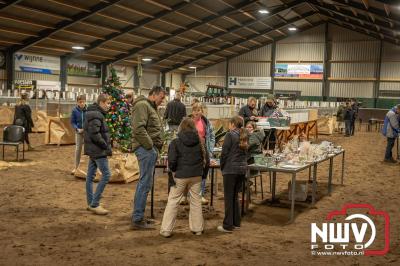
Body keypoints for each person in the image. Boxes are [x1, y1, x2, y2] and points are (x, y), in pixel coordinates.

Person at [159, 118, 205, 238]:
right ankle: (198, 229)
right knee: (196, 201)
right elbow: (206, 160)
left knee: (173, 201)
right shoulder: (200, 141)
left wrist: (174, 172)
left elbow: (172, 161)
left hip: (180, 176)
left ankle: (166, 230)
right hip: (196, 175)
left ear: (181, 127)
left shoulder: (175, 142)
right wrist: (202, 175)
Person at [130, 86, 166, 230]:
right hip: (145, 150)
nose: (162, 101)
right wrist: (150, 147)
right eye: (161, 97)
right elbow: (138, 129)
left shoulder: (149, 106)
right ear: (154, 94)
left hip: (148, 150)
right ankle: (137, 219)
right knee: (145, 183)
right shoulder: (142, 105)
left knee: (144, 183)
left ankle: (138, 216)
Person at [217, 116, 248, 233]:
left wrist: (222, 166)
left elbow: (224, 153)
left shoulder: (230, 135)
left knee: (229, 198)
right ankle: (236, 222)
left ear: (233, 124)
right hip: (241, 170)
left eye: (229, 124)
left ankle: (228, 225)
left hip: (230, 170)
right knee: (235, 197)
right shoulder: (244, 135)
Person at [84, 94, 112, 215]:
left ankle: (91, 203)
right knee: (106, 174)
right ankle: (95, 204)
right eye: (107, 103)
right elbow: (95, 134)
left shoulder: (93, 113)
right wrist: (105, 145)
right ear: (101, 102)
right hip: (98, 150)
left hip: (93, 150)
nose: (109, 106)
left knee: (90, 176)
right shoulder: (96, 114)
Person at [184, 102, 215, 205]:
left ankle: (200, 195)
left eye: (199, 110)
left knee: (203, 173)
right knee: (190, 173)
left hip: (203, 151)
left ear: (202, 111)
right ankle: (188, 196)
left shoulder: (206, 122)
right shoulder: (187, 122)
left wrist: (210, 150)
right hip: (190, 151)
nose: (196, 112)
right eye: (194, 110)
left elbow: (211, 137)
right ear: (192, 111)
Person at [70, 95, 87, 175]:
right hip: (79, 132)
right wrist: (77, 129)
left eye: (83, 101)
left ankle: (87, 168)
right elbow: (72, 122)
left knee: (88, 149)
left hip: (87, 133)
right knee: (78, 149)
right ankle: (76, 168)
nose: (82, 103)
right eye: (80, 102)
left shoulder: (88, 110)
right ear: (77, 102)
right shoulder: (74, 111)